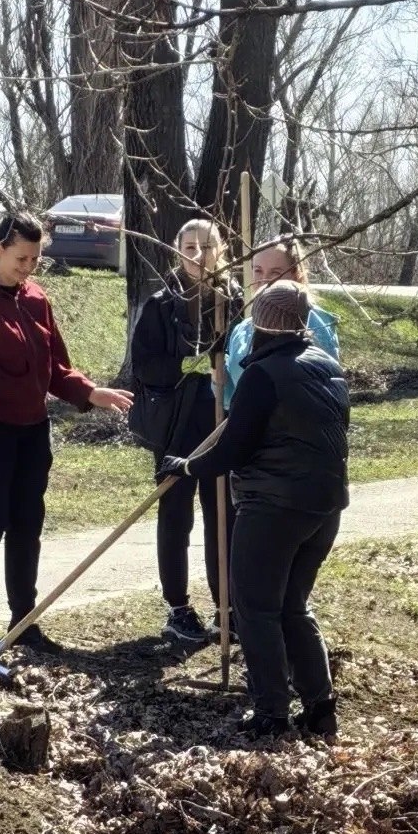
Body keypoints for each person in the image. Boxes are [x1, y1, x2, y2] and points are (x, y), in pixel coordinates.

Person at [157, 281, 349, 739]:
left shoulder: (264, 376)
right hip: (324, 507)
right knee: (293, 606)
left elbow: (232, 451)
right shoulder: (326, 365)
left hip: (274, 509)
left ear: (259, 324)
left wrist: (185, 467)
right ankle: (320, 708)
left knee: (255, 609)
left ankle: (271, 713)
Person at [0, 210, 133, 654]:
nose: (27, 268)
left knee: (27, 525)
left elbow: (55, 368)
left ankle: (24, 620)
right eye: (21, 258)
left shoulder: (37, 299)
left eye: (34, 260)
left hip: (32, 430)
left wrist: (90, 392)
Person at [130, 218, 244, 644]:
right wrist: (189, 365)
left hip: (222, 423)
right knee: (175, 515)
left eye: (207, 246)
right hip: (175, 425)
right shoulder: (161, 303)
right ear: (177, 251)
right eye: (189, 246)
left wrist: (226, 368)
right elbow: (143, 365)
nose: (198, 255)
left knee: (225, 514)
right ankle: (178, 609)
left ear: (223, 249)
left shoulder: (237, 300)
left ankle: (227, 607)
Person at [223, 234, 340, 409]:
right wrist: (219, 378)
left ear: (295, 274)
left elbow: (326, 392)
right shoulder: (242, 330)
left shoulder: (314, 323)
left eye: (276, 273)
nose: (264, 280)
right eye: (258, 270)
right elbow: (229, 398)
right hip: (248, 430)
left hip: (294, 430)